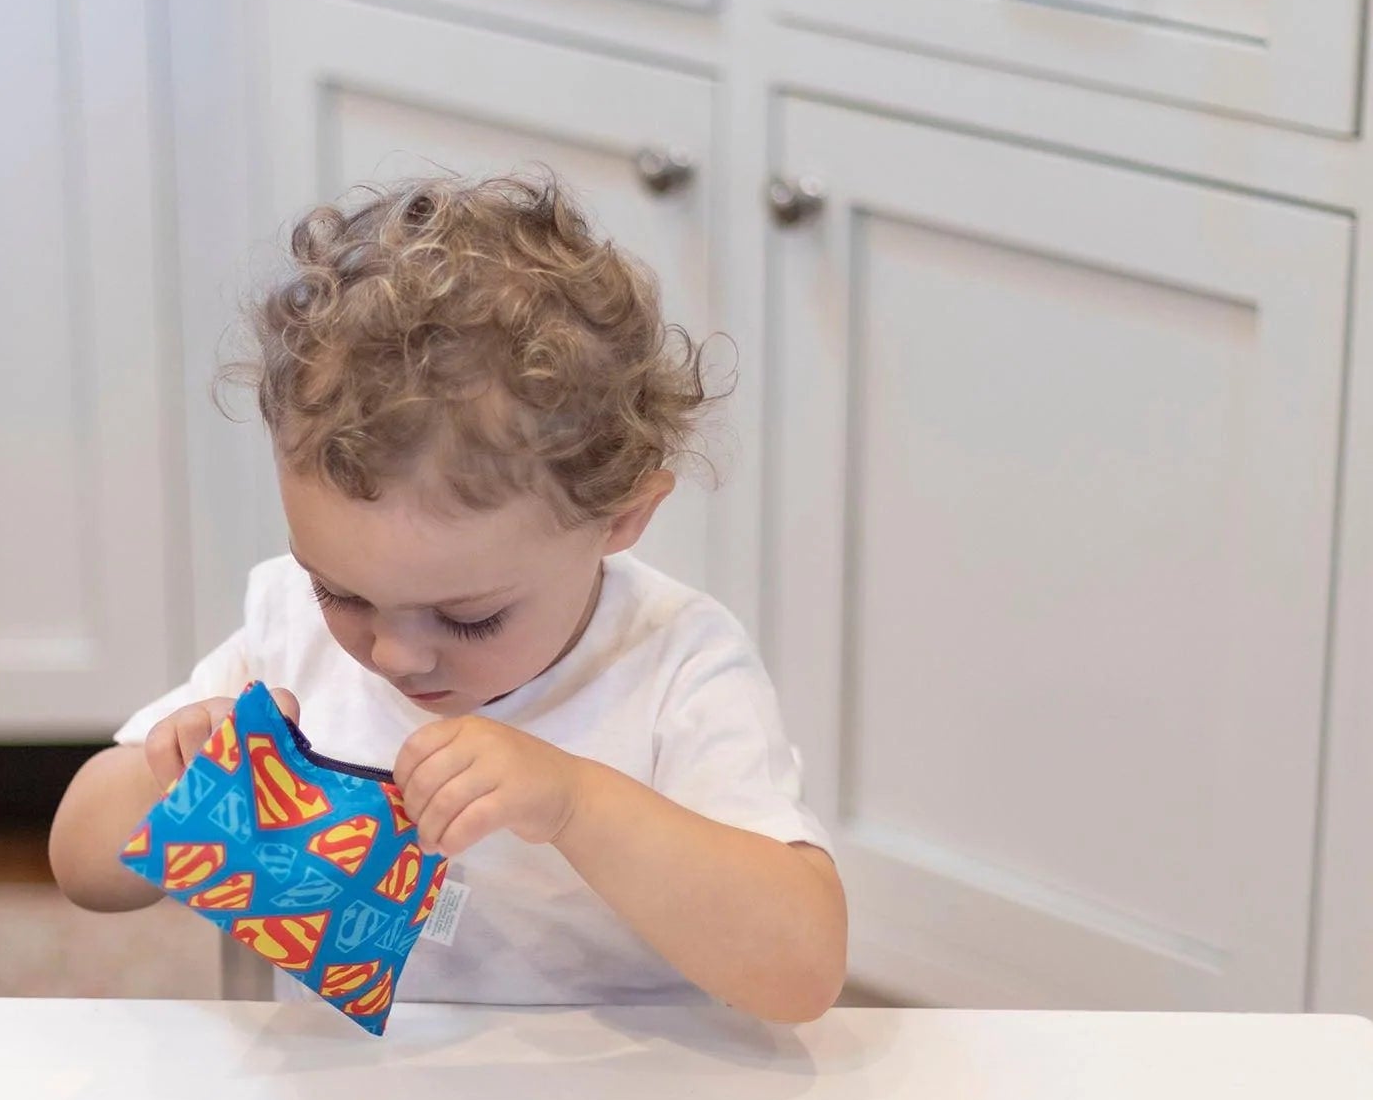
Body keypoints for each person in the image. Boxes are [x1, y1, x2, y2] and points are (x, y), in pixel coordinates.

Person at [47, 174, 845, 1021]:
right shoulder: (285, 632)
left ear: (620, 517)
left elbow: (801, 971)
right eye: (340, 593)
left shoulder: (674, 662)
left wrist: (577, 802)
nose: (393, 655)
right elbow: (81, 867)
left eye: (469, 617)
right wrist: (165, 780)